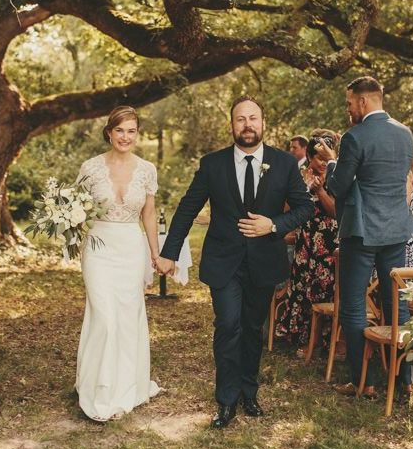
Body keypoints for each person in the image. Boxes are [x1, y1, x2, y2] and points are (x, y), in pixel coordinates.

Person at [156, 96, 313, 428]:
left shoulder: (284, 163)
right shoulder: (212, 164)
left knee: (252, 329)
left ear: (263, 123)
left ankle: (249, 392)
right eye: (241, 119)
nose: (247, 125)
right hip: (224, 261)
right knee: (228, 325)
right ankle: (226, 401)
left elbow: (305, 208)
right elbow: (187, 208)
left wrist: (273, 224)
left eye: (253, 118)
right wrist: (169, 252)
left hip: (264, 260)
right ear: (232, 125)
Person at [315, 76, 413, 398]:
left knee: (353, 305)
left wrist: (332, 163)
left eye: (349, 103)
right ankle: (404, 379)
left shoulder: (355, 136)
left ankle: (364, 381)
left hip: (361, 230)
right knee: (397, 303)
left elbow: (338, 186)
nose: (348, 109)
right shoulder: (405, 133)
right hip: (396, 228)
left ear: (362, 101)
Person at [75, 106, 162, 422]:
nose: (126, 137)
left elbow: (148, 214)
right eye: (120, 130)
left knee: (127, 317)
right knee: (104, 317)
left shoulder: (147, 170)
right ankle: (97, 389)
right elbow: (76, 211)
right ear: (109, 132)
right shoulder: (90, 168)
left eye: (131, 131)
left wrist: (155, 254)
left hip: (130, 248)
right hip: (98, 248)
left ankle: (126, 386)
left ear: (137, 134)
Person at [275, 134, 339, 354]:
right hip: (305, 242)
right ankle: (303, 339)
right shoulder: (299, 177)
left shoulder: (336, 177)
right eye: (319, 158)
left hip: (329, 243)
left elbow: (336, 211)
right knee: (302, 289)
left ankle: (327, 340)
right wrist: (302, 191)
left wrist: (320, 191)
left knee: (326, 289)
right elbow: (284, 210)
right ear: (310, 157)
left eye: (327, 158)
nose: (323, 163)